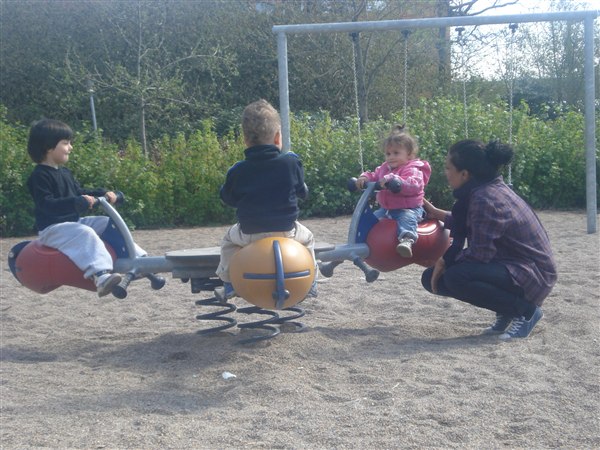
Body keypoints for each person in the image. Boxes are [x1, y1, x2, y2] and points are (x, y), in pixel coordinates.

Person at [421, 139, 557, 340]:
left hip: (532, 274)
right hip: (519, 266)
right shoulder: (487, 188)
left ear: (464, 174)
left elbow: (479, 254)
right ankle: (507, 310)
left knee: (455, 276)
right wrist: (435, 213)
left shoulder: (485, 199)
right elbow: (473, 223)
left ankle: (526, 312)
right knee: (432, 278)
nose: (445, 173)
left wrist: (445, 260)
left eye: (448, 168)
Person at [26, 118, 145, 297]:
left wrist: (103, 193)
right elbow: (46, 204)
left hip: (73, 222)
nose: (71, 147)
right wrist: (75, 202)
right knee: (85, 232)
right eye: (66, 143)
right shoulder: (39, 176)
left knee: (105, 222)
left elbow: (79, 192)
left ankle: (138, 258)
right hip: (52, 229)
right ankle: (100, 276)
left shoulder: (64, 172)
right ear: (49, 147)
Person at [215, 99, 316, 301]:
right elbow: (302, 192)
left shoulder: (238, 170)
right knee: (309, 239)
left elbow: (228, 198)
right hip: (287, 232)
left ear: (245, 140)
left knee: (228, 241)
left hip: (249, 233)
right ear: (278, 137)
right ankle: (311, 281)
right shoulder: (291, 162)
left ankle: (228, 282)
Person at [355, 125, 431, 257]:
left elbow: (414, 184)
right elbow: (375, 175)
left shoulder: (412, 169)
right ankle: (363, 241)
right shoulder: (384, 168)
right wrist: (365, 177)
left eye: (396, 153)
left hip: (409, 208)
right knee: (372, 219)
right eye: (388, 154)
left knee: (407, 218)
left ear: (409, 155)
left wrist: (396, 181)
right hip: (387, 209)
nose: (391, 157)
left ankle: (407, 240)